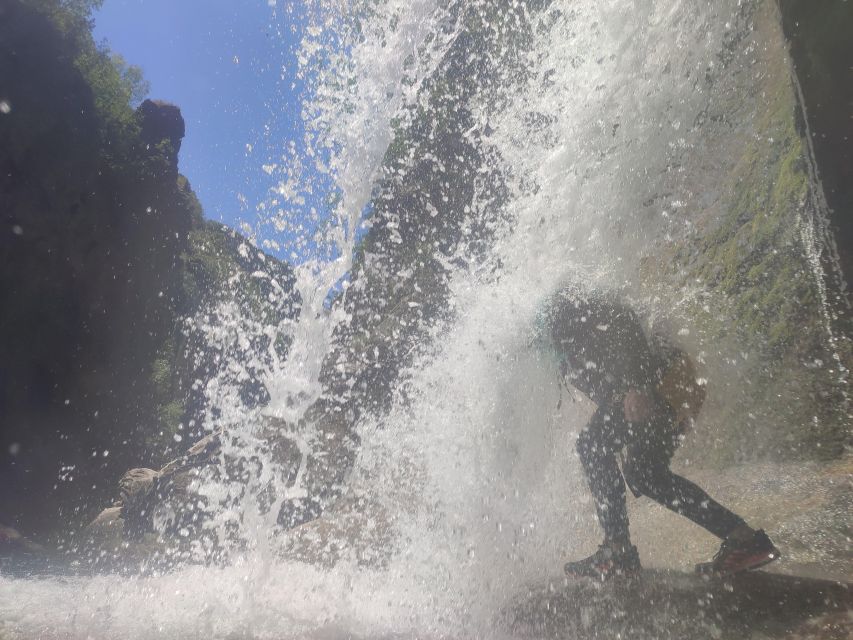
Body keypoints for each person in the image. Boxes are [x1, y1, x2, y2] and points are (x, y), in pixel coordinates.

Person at [542, 289, 780, 580]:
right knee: (645, 473)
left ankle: (618, 552)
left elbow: (622, 315)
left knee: (592, 446)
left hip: (662, 380)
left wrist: (637, 385)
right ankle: (745, 542)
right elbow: (604, 383)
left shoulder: (557, 306)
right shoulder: (555, 348)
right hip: (679, 386)